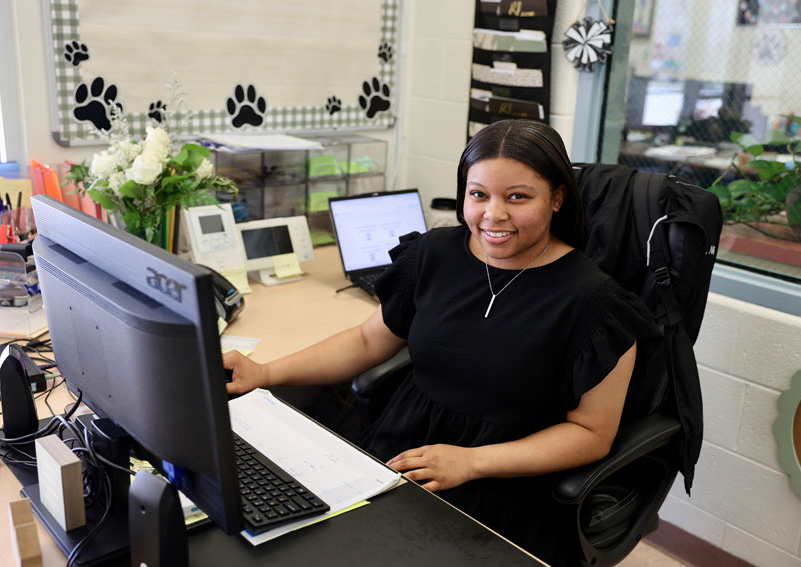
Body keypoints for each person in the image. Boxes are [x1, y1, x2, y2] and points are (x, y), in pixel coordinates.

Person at [223, 119, 660, 565]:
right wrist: (264, 372)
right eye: (478, 194)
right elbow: (366, 341)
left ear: (557, 199)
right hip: (401, 446)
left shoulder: (597, 305)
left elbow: (591, 435)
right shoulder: (434, 254)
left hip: (506, 479)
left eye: (518, 196)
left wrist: (472, 462)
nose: (493, 215)